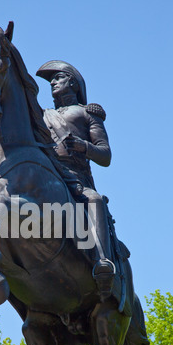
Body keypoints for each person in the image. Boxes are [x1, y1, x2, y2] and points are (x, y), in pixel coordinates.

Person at [36, 60, 115, 300]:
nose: (52, 83)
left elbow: (105, 155)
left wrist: (82, 146)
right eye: (51, 80)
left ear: (72, 82)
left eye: (58, 78)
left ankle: (102, 261)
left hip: (75, 178)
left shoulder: (86, 113)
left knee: (95, 200)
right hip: (45, 174)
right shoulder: (42, 115)